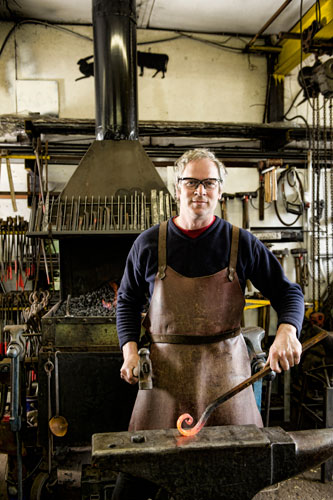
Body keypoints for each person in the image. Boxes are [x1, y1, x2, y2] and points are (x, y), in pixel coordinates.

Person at [113, 148, 304, 500]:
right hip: (163, 383)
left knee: (232, 480)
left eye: (209, 183)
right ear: (178, 187)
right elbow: (126, 302)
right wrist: (128, 351)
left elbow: (288, 293)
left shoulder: (241, 243)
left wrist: (287, 331)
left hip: (227, 380)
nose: (200, 191)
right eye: (191, 182)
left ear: (220, 190)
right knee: (137, 480)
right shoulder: (148, 244)